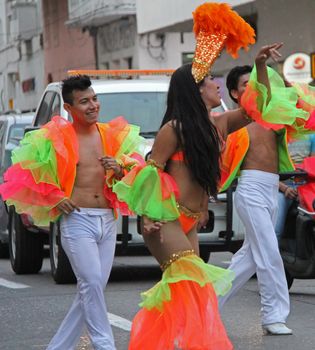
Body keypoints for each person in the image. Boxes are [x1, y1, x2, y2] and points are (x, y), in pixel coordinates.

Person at [113, 4, 299, 349]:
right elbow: (150, 173)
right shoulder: (175, 129)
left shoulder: (220, 124)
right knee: (190, 286)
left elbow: (258, 107)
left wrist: (260, 65)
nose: (217, 83)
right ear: (197, 91)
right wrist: (149, 217)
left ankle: (176, 343)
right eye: (211, 80)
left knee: (194, 294)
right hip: (165, 219)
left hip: (192, 220)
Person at [0, 75, 144, 349]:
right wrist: (55, 197)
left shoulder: (111, 134)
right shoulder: (55, 137)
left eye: (94, 99)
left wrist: (120, 168)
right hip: (78, 221)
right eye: (84, 102)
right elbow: (25, 174)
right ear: (69, 107)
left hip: (107, 219)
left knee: (92, 289)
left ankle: (58, 347)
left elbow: (138, 169)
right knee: (90, 284)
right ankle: (105, 345)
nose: (93, 106)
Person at [218, 54, 312, 334]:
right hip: (250, 190)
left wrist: (282, 187)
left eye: (256, 83)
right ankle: (273, 315)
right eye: (247, 84)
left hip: (272, 188)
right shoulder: (234, 122)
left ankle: (206, 303)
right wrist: (259, 63)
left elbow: (291, 99)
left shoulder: (271, 116)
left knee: (248, 257)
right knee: (270, 251)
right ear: (234, 93)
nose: (254, 88)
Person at [275, 133, 315, 240]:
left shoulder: (311, 135)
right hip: (283, 186)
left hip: (307, 185)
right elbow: (267, 172)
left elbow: (313, 165)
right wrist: (284, 188)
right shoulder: (277, 133)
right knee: (275, 230)